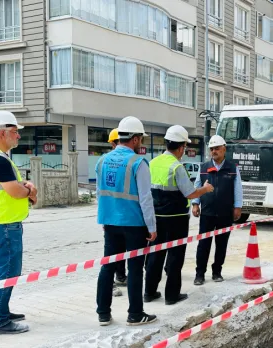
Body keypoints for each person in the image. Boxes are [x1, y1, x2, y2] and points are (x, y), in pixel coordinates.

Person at [0, 111, 37, 335]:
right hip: (4, 224)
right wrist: (29, 190)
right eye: (15, 132)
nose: (18, 136)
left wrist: (25, 187)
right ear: (2, 133)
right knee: (9, 271)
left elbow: (12, 185)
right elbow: (14, 191)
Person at [96, 116, 158, 326]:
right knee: (134, 268)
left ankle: (103, 313)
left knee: (108, 266)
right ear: (135, 139)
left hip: (110, 222)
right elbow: (145, 198)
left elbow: (99, 193)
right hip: (133, 224)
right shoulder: (138, 163)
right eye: (140, 138)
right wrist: (152, 227)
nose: (141, 142)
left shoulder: (102, 161)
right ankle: (135, 314)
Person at [145, 126, 214, 305]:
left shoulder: (152, 163)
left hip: (156, 218)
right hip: (176, 220)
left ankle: (149, 292)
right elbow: (190, 193)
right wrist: (205, 189)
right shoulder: (177, 167)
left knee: (155, 255)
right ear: (182, 147)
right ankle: (171, 295)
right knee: (175, 256)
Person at [192, 135, 243, 286]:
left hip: (225, 213)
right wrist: (195, 204)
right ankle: (199, 274)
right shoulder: (203, 167)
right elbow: (197, 186)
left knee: (221, 244)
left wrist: (238, 207)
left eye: (217, 148)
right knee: (203, 244)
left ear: (224, 149)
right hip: (207, 213)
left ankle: (217, 272)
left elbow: (237, 189)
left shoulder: (232, 169)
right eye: (212, 149)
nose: (214, 151)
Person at [106, 128, 126, 287]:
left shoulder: (105, 162)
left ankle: (119, 275)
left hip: (111, 215)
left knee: (117, 249)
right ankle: (116, 277)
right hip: (124, 215)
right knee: (117, 249)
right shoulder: (129, 161)